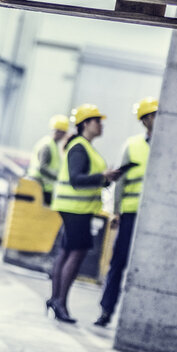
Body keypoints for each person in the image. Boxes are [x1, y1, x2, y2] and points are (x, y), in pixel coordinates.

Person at [46, 104, 117, 324]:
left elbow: (86, 178)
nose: (101, 125)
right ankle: (60, 302)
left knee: (66, 252)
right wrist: (102, 176)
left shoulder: (84, 146)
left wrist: (105, 179)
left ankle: (55, 299)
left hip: (77, 209)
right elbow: (77, 179)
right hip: (76, 209)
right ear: (85, 123)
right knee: (75, 255)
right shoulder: (79, 147)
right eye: (97, 121)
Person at [95, 97, 157, 328]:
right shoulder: (132, 146)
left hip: (156, 218)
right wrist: (116, 212)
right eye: (155, 115)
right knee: (118, 262)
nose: (159, 119)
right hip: (131, 214)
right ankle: (106, 310)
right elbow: (119, 182)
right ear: (145, 120)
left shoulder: (170, 147)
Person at [30, 114, 70, 205]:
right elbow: (42, 167)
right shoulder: (47, 145)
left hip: (45, 187)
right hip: (39, 186)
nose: (64, 135)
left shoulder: (54, 145)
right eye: (63, 132)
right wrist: (58, 177)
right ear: (59, 132)